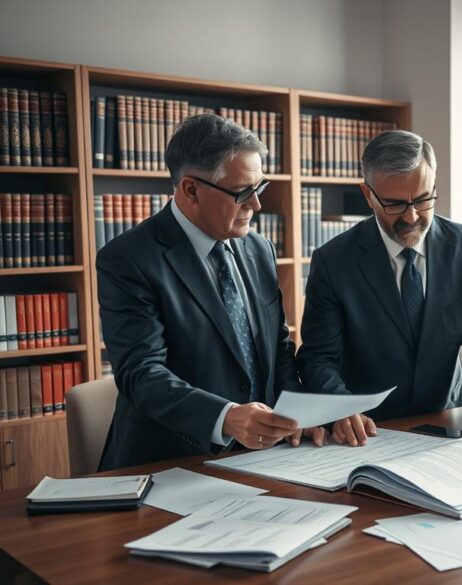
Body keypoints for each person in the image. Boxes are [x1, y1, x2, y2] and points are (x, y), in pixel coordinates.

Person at [97, 114, 318, 471]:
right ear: (191, 190)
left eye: (260, 188)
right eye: (243, 192)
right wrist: (226, 417)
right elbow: (141, 372)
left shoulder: (258, 249)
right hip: (169, 464)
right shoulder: (127, 259)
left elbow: (277, 347)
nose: (257, 205)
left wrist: (292, 417)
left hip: (262, 460)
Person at [297, 130, 462, 445]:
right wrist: (340, 409)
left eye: (423, 199)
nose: (412, 216)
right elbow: (319, 356)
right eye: (395, 204)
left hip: (451, 422)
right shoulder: (334, 262)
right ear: (368, 195)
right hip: (369, 431)